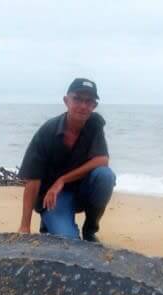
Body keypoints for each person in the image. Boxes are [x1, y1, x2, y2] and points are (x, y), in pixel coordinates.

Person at [17, 78, 116, 242]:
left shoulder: (94, 124)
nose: (83, 106)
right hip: (54, 198)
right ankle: (49, 222)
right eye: (77, 99)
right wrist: (24, 226)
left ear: (94, 106)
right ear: (66, 100)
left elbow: (102, 160)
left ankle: (90, 231)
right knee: (70, 242)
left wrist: (62, 180)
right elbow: (33, 180)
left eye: (89, 101)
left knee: (105, 176)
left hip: (81, 191)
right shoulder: (47, 131)